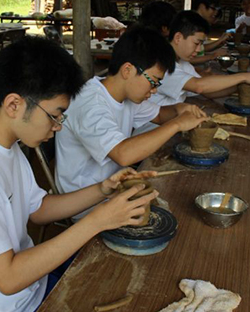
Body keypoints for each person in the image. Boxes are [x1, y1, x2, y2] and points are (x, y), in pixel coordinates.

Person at [0, 36, 159, 312]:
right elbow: (7, 279)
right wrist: (97, 221)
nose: (57, 127)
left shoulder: (10, 146)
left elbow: (38, 209)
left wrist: (103, 189)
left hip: (36, 285)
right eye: (55, 115)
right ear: (13, 105)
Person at [55, 24, 208, 222]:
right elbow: (123, 154)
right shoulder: (90, 102)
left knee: (180, 194)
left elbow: (160, 115)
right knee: (179, 211)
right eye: (153, 82)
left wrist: (180, 109)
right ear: (127, 70)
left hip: (114, 186)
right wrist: (177, 124)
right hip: (85, 202)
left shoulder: (126, 95)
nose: (154, 91)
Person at [154, 10, 250, 106]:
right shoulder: (161, 63)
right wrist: (243, 77)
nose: (199, 49)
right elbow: (199, 86)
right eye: (196, 43)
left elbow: (208, 91)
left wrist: (240, 86)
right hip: (157, 121)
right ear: (178, 38)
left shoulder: (183, 63)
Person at [191, 0, 230, 66]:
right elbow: (187, 59)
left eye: (217, 9)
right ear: (202, 6)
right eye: (213, 8)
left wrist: (219, 42)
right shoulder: (191, 24)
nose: (215, 13)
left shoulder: (200, 24)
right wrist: (212, 56)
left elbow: (201, 49)